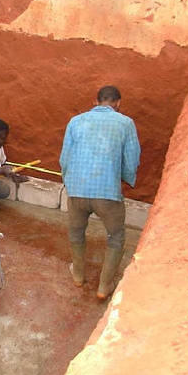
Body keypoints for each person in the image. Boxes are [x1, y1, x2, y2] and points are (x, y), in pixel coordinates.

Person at [59, 85, 141, 299]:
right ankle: (105, 286)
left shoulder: (75, 121)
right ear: (118, 103)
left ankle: (78, 274)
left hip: (76, 191)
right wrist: (124, 178)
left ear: (95, 101)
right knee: (116, 236)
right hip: (107, 194)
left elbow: (64, 158)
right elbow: (131, 160)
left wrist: (69, 182)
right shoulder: (126, 123)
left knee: (76, 232)